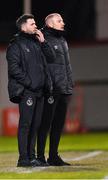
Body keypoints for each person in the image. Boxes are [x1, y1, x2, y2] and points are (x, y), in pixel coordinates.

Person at [6, 14, 53, 167]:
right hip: (27, 91)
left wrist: (44, 41)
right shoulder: (15, 45)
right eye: (32, 24)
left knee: (36, 125)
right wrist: (30, 83)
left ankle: (32, 157)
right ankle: (23, 158)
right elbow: (14, 69)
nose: (36, 26)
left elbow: (51, 58)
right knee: (26, 125)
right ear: (23, 26)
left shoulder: (37, 43)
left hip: (40, 92)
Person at [37, 13, 73, 166]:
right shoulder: (42, 39)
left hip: (64, 89)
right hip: (51, 89)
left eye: (62, 20)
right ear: (50, 24)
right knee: (45, 123)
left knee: (58, 124)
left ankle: (53, 156)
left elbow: (66, 67)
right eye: (59, 21)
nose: (63, 23)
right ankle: (40, 157)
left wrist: (69, 84)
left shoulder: (62, 40)